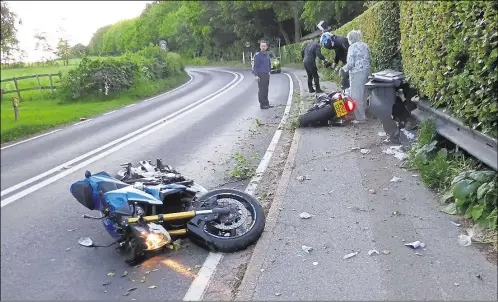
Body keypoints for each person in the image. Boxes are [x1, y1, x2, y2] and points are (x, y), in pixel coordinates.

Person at [341, 30, 371, 123]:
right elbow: (369, 58)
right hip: (367, 71)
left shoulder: (352, 47)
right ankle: (364, 113)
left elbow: (350, 63)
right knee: (364, 94)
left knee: (356, 96)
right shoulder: (365, 45)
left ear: (350, 39)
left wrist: (342, 69)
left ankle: (360, 118)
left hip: (357, 73)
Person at [253, 41, 273, 109]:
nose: (263, 47)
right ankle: (262, 104)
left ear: (267, 47)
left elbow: (269, 64)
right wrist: (256, 75)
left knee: (266, 89)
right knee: (262, 90)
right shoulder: (258, 55)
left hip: (266, 74)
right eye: (262, 46)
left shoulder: (267, 55)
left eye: (264, 46)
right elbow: (255, 66)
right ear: (260, 47)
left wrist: (269, 71)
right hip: (260, 75)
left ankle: (266, 103)